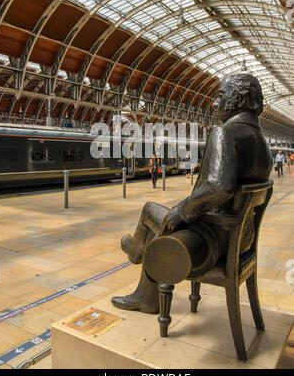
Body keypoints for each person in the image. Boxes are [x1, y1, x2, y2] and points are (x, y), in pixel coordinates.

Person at [112, 70, 272, 314]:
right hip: (240, 239)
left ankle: (137, 255)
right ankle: (140, 271)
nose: (213, 102)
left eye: (220, 95)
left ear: (237, 99)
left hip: (211, 240)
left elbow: (218, 187)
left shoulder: (225, 133)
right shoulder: (262, 142)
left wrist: (180, 212)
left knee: (152, 213)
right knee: (162, 224)